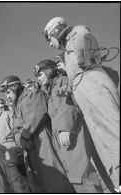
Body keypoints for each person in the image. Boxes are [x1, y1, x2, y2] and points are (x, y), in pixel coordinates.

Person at [43, 17, 120, 189]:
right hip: (83, 89)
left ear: (56, 30)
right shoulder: (69, 52)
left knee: (111, 127)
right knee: (101, 137)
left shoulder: (75, 33)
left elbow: (84, 35)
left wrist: (80, 60)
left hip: (92, 83)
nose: (50, 44)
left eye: (49, 38)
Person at [34, 58, 103, 193]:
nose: (39, 79)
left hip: (69, 130)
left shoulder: (62, 81)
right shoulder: (51, 89)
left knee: (80, 172)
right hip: (60, 134)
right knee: (73, 172)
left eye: (40, 75)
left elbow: (67, 105)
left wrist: (65, 128)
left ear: (49, 71)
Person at [0, 75, 75, 193]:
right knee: (36, 183)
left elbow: (38, 113)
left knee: (54, 177)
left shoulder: (33, 94)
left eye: (9, 92)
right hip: (28, 147)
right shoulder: (17, 105)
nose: (8, 97)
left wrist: (24, 136)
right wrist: (22, 143)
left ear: (15, 86)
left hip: (41, 139)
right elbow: (16, 129)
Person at [0, 95, 29, 193]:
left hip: (10, 152)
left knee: (18, 184)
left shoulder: (7, 114)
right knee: (1, 188)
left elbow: (18, 131)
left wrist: (20, 152)